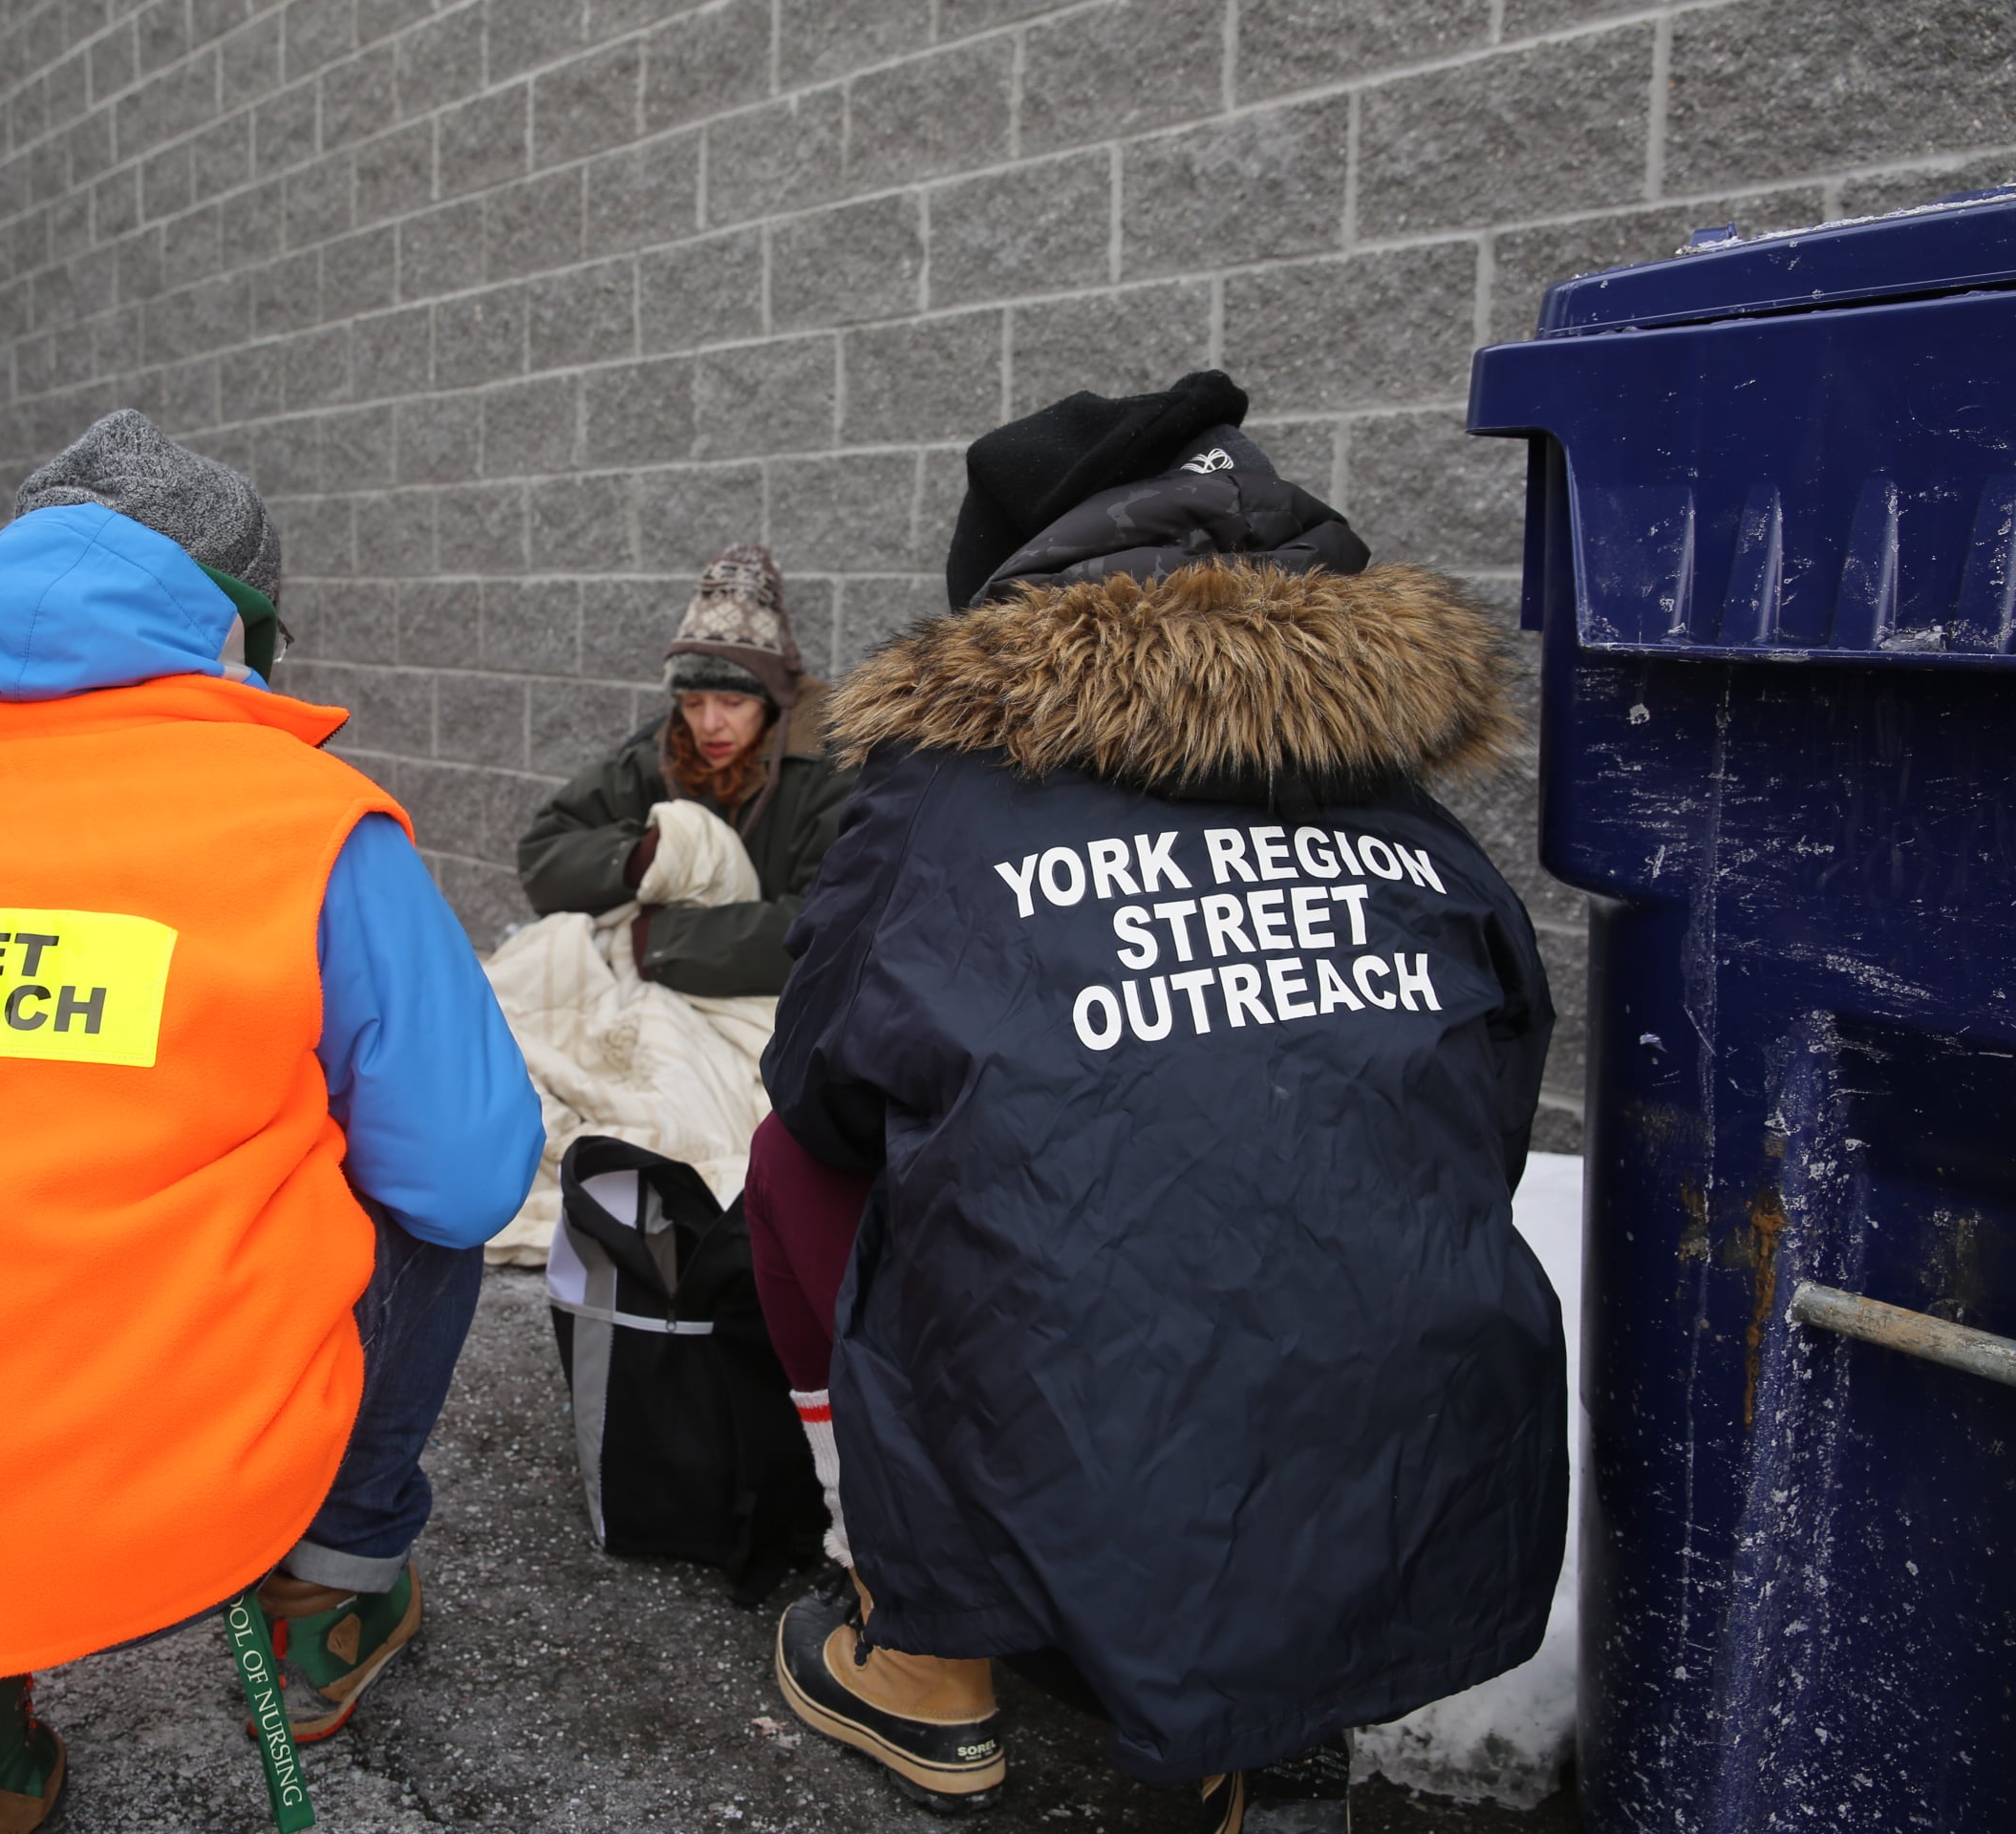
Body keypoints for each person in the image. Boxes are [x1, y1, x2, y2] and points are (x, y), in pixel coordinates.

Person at [0, 410, 543, 1834]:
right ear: (235, 631)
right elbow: (469, 1172)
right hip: (159, 1446)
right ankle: (330, 1591)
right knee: (406, 1206)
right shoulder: (303, 819)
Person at [748, 373, 1567, 1827]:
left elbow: (817, 1094)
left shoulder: (943, 789)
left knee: (801, 1166)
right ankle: (1263, 1713)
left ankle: (925, 1658)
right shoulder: (1402, 802)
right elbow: (1492, 1095)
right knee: (1317, 1185)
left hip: (1079, 1396)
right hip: (1419, 1434)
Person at [516, 544, 853, 997]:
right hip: (654, 992)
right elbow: (542, 858)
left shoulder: (830, 768)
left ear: (772, 702)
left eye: (733, 702)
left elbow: (834, 924)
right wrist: (642, 860)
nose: (709, 724)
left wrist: (661, 941)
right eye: (692, 703)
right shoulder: (661, 755)